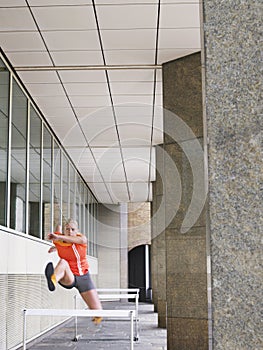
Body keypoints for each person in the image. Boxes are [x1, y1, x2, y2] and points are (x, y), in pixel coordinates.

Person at [45, 219, 103, 324]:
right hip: (69, 277)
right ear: (64, 230)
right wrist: (57, 245)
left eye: (73, 229)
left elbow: (73, 243)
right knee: (63, 262)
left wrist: (57, 242)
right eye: (67, 229)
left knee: (98, 314)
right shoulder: (58, 240)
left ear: (77, 231)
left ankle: (97, 319)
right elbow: (59, 235)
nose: (70, 232)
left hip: (84, 277)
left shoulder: (82, 239)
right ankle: (53, 280)